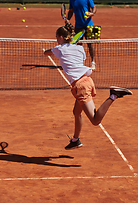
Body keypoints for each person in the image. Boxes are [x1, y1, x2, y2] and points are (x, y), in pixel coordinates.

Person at [44, 22, 132, 150]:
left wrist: (57, 48)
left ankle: (114, 95)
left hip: (80, 87)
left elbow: (46, 53)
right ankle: (75, 140)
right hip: (87, 81)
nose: (56, 40)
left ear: (61, 37)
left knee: (95, 121)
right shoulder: (79, 48)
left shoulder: (59, 49)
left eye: (57, 37)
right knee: (76, 112)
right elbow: (78, 59)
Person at [67, 0, 97, 70]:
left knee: (90, 44)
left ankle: (93, 62)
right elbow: (71, 11)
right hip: (78, 26)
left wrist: (92, 13)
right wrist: (68, 19)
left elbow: (94, 7)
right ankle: (80, 62)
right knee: (78, 45)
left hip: (88, 25)